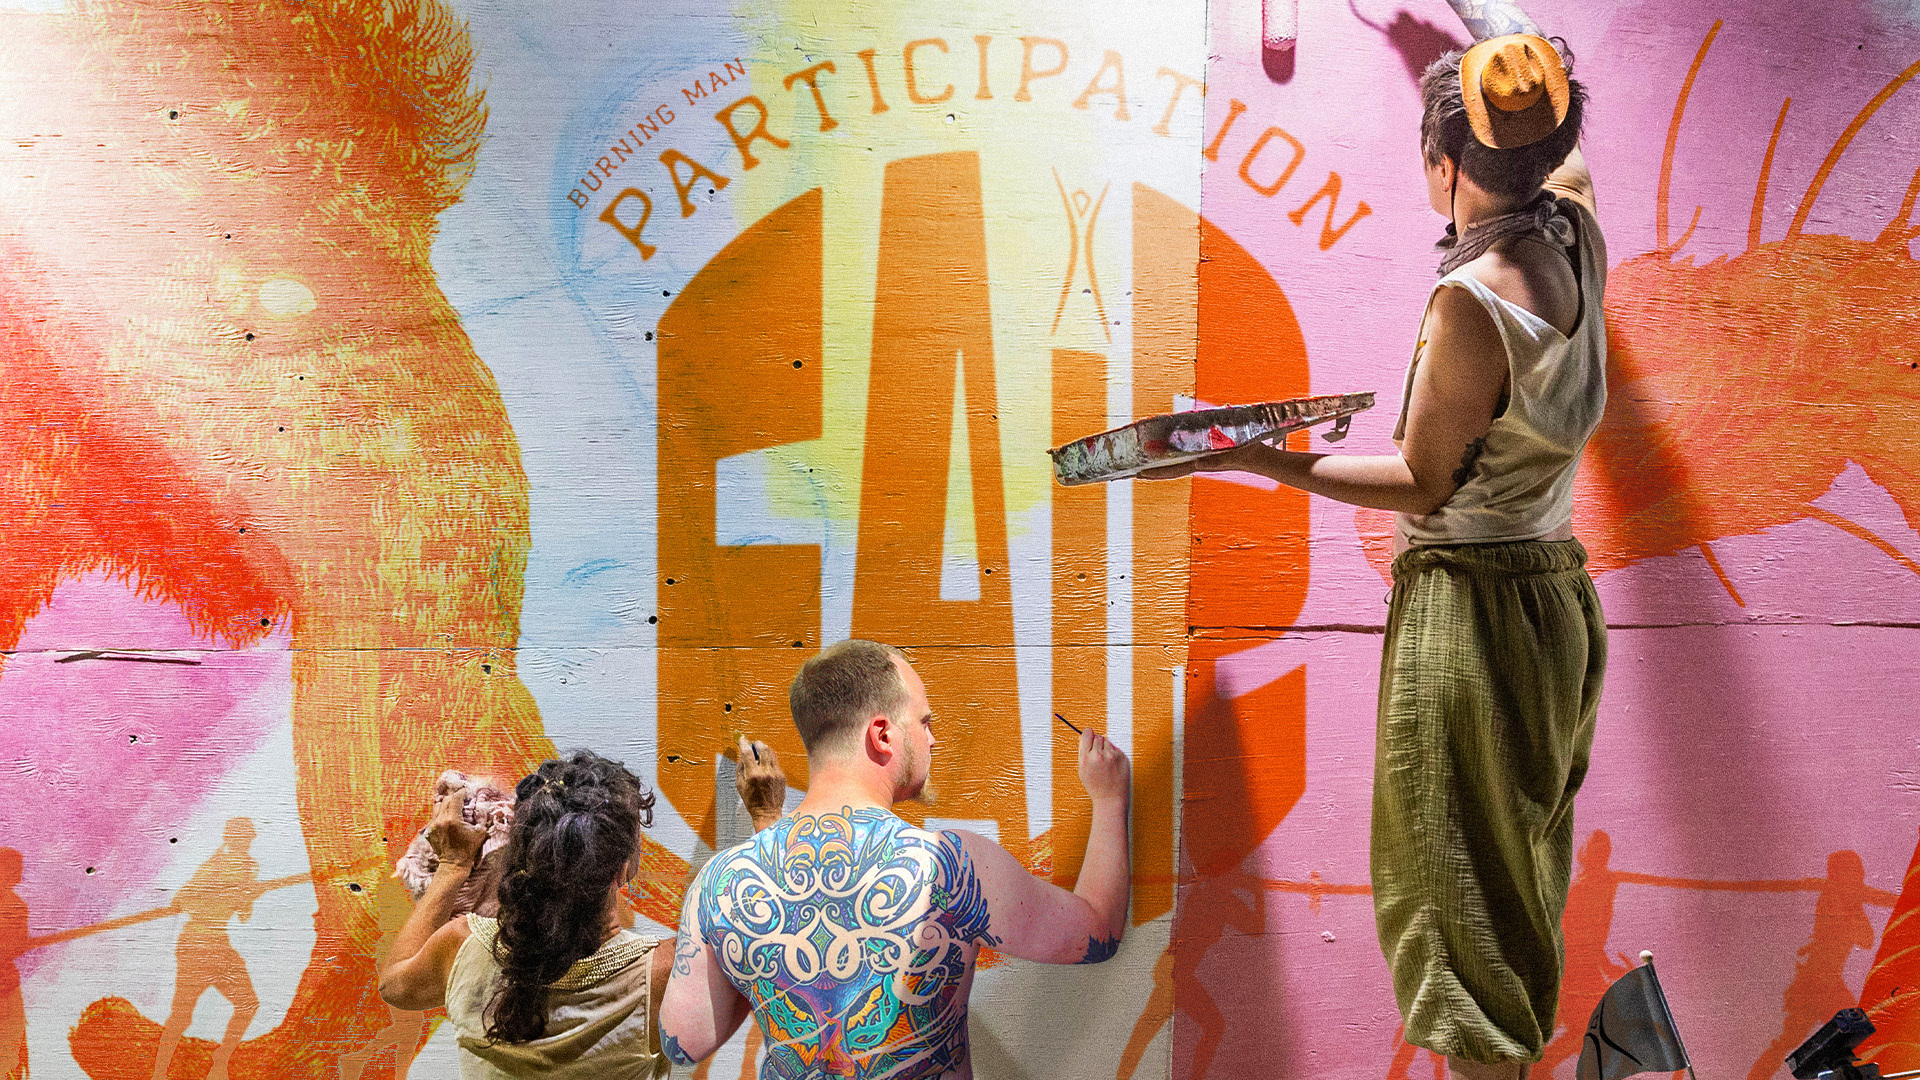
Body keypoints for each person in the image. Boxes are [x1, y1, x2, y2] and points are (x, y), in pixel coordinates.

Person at [1144, 2, 1605, 1076]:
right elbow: (1548, 107)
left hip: (1473, 613)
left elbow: (1418, 476)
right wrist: (1482, 21)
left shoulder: (1473, 302)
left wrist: (1252, 452)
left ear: (1445, 160)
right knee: (1517, 874)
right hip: (1555, 597)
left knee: (1452, 905)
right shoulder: (1573, 219)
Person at [657, 639, 1133, 1078]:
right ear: (882, 734)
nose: (932, 740)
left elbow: (684, 1043)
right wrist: (1110, 800)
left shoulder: (722, 881)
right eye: (924, 723)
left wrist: (765, 839)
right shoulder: (952, 867)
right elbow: (1098, 933)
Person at [379, 746, 787, 1078]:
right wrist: (768, 820)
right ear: (622, 870)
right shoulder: (662, 975)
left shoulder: (461, 948)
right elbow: (776, 962)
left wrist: (453, 867)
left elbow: (396, 986)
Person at [151, 818, 262, 1080]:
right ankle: (159, 1073)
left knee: (248, 1004)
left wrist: (246, 897)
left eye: (247, 839)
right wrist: (218, 894)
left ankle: (220, 1063)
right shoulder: (214, 866)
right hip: (196, 943)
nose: (244, 844)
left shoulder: (249, 869)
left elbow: (244, 915)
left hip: (219, 943)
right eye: (240, 839)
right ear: (229, 840)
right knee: (182, 1014)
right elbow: (181, 900)